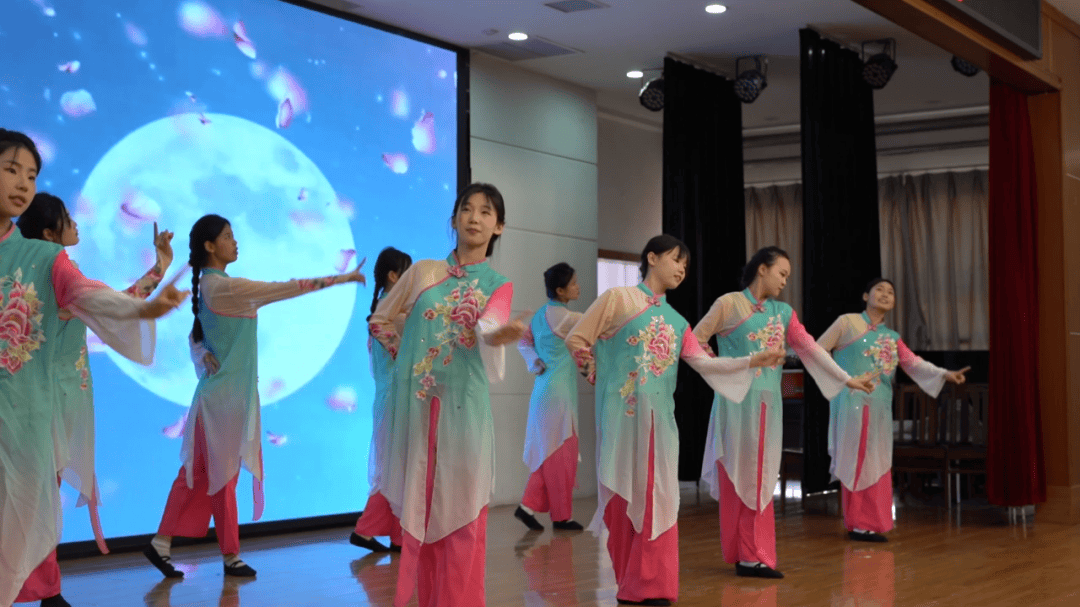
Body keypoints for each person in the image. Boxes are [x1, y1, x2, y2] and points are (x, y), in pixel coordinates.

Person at [0, 128, 187, 607]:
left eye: (31, 175)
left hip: (33, 409)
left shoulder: (47, 262)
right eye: (11, 170)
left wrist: (147, 305)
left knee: (30, 502)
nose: (23, 183)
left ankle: (45, 591)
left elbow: (101, 299)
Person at [566, 235, 785, 606]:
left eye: (686, 263)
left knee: (660, 500)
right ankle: (630, 585)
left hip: (662, 425)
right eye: (675, 259)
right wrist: (596, 374)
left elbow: (705, 364)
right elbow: (577, 338)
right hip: (621, 419)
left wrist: (751, 361)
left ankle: (652, 586)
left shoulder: (678, 322)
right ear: (651, 257)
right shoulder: (617, 299)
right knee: (621, 502)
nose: (682, 268)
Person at [144, 214, 365, 579]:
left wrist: (202, 353)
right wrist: (343, 278)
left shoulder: (210, 287)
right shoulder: (226, 288)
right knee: (221, 477)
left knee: (199, 475)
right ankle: (227, 555)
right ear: (210, 246)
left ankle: (164, 543)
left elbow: (196, 337)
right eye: (227, 236)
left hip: (220, 399)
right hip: (224, 403)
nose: (235, 241)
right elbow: (289, 288)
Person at [369, 183, 526, 607]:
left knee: (463, 515)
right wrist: (408, 365)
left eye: (486, 212)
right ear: (454, 218)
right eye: (467, 209)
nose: (475, 218)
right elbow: (380, 320)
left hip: (464, 412)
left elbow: (490, 325)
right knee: (422, 512)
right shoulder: (422, 272)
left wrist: (501, 334)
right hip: (418, 411)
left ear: (499, 226)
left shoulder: (499, 285)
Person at [692, 246, 874, 579]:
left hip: (769, 404)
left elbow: (810, 348)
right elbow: (695, 341)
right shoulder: (729, 304)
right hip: (735, 403)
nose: (785, 281)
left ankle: (753, 554)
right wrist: (726, 370)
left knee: (761, 476)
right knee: (737, 473)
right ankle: (744, 553)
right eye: (782, 273)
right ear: (762, 269)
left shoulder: (784, 313)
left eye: (788, 276)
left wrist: (847, 379)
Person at [817, 278, 968, 542]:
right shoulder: (847, 322)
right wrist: (842, 379)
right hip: (852, 401)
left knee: (877, 460)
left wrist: (945, 374)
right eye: (880, 289)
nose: (886, 294)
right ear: (866, 296)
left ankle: (873, 522)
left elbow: (914, 363)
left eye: (891, 292)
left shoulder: (892, 338)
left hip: (879, 405)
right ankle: (858, 523)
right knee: (857, 458)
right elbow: (817, 350)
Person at [514, 262, 585, 532]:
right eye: (574, 283)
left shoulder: (539, 316)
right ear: (560, 290)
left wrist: (535, 362)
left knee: (549, 454)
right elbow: (596, 326)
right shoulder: (569, 318)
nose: (578, 287)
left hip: (543, 389)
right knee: (561, 455)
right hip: (559, 394)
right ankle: (560, 516)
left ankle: (527, 507)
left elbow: (524, 343)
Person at [350, 246, 412, 553]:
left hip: (390, 396)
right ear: (393, 276)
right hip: (397, 398)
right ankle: (374, 530)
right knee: (397, 466)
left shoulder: (384, 311)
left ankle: (386, 533)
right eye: (408, 272)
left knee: (395, 465)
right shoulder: (395, 315)